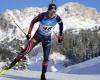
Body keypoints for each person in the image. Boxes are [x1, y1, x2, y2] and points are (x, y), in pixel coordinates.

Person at [6, 3, 64, 80]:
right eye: (51, 11)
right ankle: (11, 65)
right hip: (37, 37)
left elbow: (61, 24)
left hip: (47, 39)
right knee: (26, 51)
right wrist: (29, 33)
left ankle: (43, 75)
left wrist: (60, 36)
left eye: (54, 11)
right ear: (48, 10)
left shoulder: (57, 18)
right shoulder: (42, 16)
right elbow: (33, 22)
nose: (52, 13)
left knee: (46, 58)